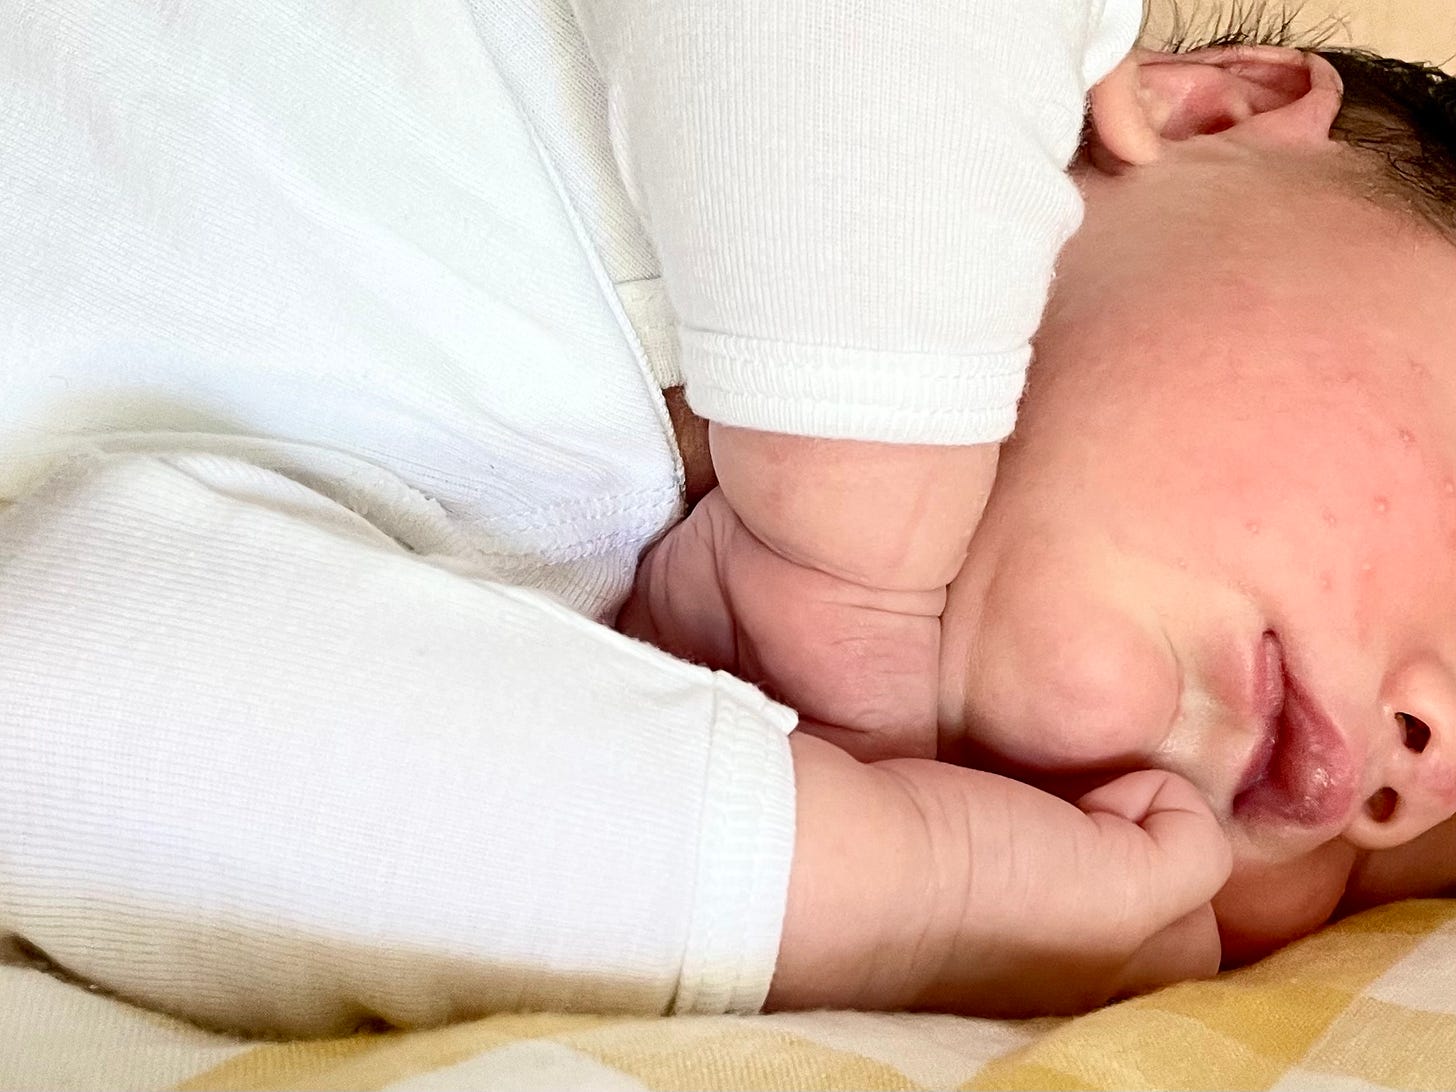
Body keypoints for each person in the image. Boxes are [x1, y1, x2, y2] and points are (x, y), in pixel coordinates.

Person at [0, 0, 1439, 1041]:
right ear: (1217, 110)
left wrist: (872, 889)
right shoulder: (978, 60)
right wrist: (849, 540)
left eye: (1415, 860)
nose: (1423, 787)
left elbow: (52, 707)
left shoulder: (570, 669)